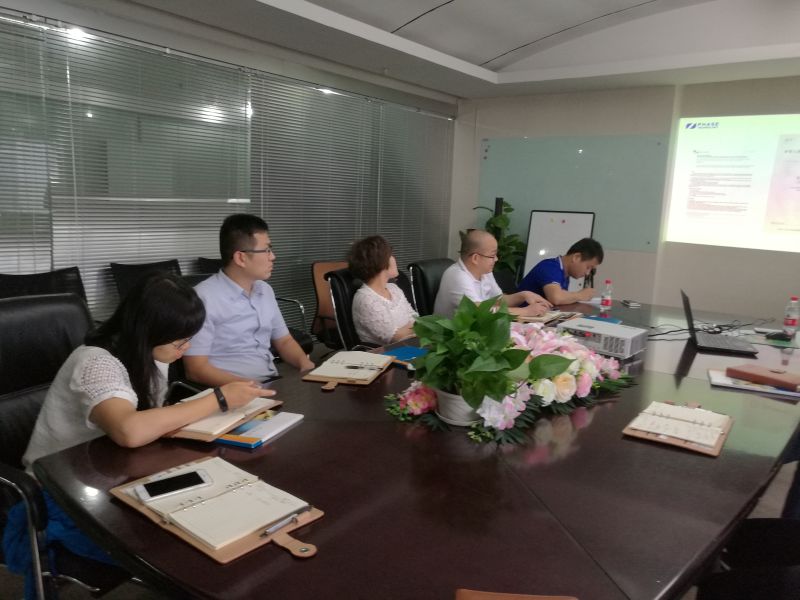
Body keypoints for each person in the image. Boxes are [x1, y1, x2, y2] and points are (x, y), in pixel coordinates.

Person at [4, 272, 272, 599]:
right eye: (180, 342)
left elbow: (148, 418)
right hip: (62, 489)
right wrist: (218, 399)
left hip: (113, 472)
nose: (186, 349)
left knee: (220, 513)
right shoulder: (95, 363)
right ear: (148, 333)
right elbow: (129, 430)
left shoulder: (149, 353)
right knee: (186, 548)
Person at [184, 214, 314, 385]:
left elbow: (284, 341)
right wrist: (251, 388)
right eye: (266, 250)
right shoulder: (203, 298)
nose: (272, 256)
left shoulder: (265, 290)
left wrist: (306, 365)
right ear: (241, 258)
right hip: (231, 391)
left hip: (270, 383)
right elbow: (196, 369)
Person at [433, 229, 551, 318]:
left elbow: (498, 300)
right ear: (475, 258)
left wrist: (524, 295)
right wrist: (525, 311)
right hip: (451, 338)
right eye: (492, 256)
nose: (496, 259)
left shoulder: (484, 272)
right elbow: (480, 312)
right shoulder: (457, 276)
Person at [348, 235, 417, 345]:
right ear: (380, 262)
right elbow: (395, 337)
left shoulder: (394, 289)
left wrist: (409, 328)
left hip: (410, 344)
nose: (394, 258)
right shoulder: (365, 299)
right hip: (385, 352)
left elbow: (416, 319)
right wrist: (414, 327)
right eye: (390, 255)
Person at [518, 238, 604, 305]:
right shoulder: (550, 267)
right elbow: (556, 298)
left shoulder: (565, 273)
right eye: (588, 267)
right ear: (576, 257)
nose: (587, 273)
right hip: (522, 318)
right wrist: (581, 295)